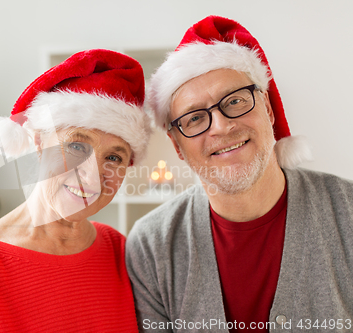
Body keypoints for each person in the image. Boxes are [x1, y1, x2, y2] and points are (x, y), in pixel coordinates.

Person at [126, 15, 353, 333]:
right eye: (193, 118)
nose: (221, 126)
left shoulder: (348, 213)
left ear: (269, 111)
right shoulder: (152, 246)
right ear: (178, 147)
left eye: (235, 101)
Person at [0, 49, 152, 332]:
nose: (91, 175)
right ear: (39, 143)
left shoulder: (121, 251)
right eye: (77, 146)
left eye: (113, 157)